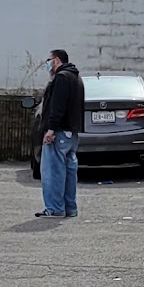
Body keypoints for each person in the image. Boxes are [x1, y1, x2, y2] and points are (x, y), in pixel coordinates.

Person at [36, 47, 85, 219]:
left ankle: (55, 208)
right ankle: (70, 207)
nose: (47, 64)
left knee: (53, 172)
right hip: (72, 133)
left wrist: (50, 129)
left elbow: (57, 106)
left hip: (59, 132)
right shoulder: (76, 78)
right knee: (69, 172)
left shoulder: (61, 78)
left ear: (56, 60)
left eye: (48, 61)